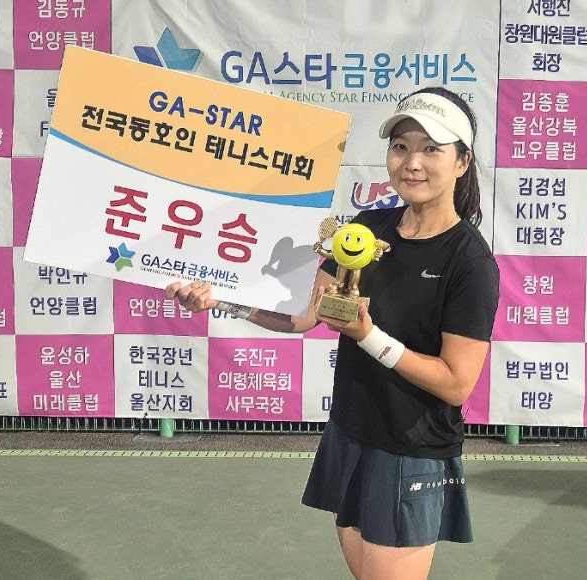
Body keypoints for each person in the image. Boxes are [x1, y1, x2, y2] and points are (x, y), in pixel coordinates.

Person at [166, 86, 500, 579]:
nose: (412, 162)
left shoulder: (470, 263)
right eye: (401, 146)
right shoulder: (367, 229)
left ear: (462, 162)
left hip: (411, 451)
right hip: (350, 432)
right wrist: (223, 300)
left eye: (431, 149)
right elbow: (304, 316)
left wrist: (368, 336)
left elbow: (456, 383)